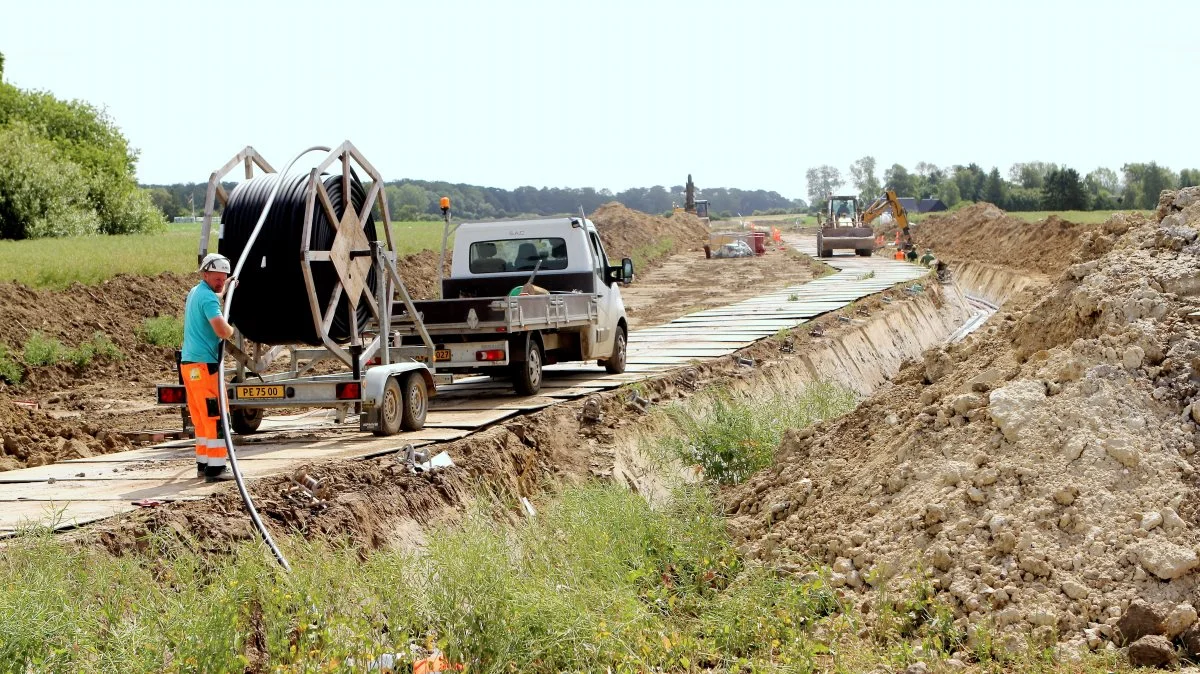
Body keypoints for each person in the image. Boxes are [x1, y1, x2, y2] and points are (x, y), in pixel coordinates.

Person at [181, 253, 236, 482]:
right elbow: (222, 331)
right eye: (217, 279)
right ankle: (216, 468)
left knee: (202, 417)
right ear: (205, 274)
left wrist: (226, 289)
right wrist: (231, 330)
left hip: (190, 366)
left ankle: (203, 464)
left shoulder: (196, 292)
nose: (220, 282)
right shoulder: (208, 300)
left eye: (223, 278)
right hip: (206, 366)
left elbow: (212, 296)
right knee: (216, 415)